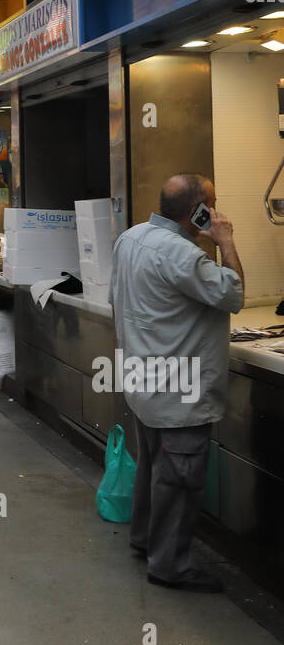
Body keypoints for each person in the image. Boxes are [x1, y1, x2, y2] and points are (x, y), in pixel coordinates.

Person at [109, 173, 244, 593]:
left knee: (154, 468)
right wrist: (224, 241)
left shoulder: (131, 238)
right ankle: (170, 566)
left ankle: (146, 539)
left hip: (143, 381)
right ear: (196, 212)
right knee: (181, 479)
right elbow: (233, 294)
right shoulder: (184, 256)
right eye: (212, 205)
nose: (217, 212)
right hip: (178, 392)